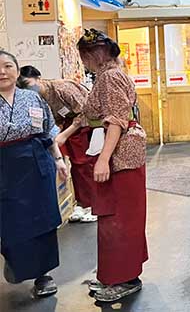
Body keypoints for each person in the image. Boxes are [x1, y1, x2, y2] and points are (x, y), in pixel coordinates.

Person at [68, 29, 148, 303]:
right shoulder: (110, 75)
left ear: (93, 55)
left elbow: (116, 119)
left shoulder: (111, 77)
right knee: (115, 217)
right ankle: (116, 274)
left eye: (84, 56)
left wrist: (103, 159)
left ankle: (123, 277)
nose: (84, 62)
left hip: (120, 156)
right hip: (119, 153)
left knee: (119, 218)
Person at [0, 51, 68, 298]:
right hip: (4, 166)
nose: (3, 72)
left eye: (8, 66)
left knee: (43, 219)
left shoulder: (32, 98)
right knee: (11, 222)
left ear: (17, 71)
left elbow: (49, 130)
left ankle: (44, 275)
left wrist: (58, 159)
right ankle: (16, 263)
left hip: (37, 162)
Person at [19, 66, 97, 223]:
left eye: (28, 83)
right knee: (72, 165)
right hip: (66, 127)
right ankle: (81, 203)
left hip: (84, 124)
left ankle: (94, 206)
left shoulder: (62, 88)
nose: (27, 89)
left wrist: (65, 133)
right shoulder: (35, 98)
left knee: (84, 164)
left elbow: (86, 111)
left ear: (38, 78)